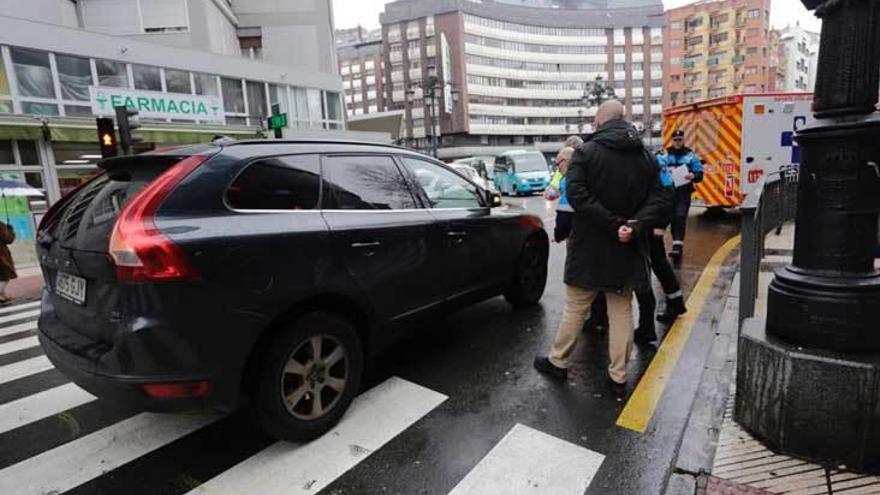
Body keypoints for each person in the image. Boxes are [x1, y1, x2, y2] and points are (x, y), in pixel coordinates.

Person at [533, 100, 669, 389]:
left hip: (589, 247)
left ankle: (558, 361)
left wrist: (611, 223)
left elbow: (578, 195)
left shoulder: (586, 152)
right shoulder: (646, 156)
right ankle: (618, 375)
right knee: (621, 309)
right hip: (628, 245)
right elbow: (659, 197)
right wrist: (633, 225)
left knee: (576, 306)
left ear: (599, 121)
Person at [658, 129, 703, 264]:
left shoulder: (690, 156)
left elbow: (699, 174)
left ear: (683, 140)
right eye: (675, 140)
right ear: (672, 141)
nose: (677, 142)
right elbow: (655, 167)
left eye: (680, 140)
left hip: (683, 193)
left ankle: (678, 246)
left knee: (680, 216)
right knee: (668, 217)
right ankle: (665, 244)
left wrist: (693, 176)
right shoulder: (664, 155)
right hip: (668, 192)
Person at [545, 146, 576, 243]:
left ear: (565, 161)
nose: (557, 169)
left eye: (558, 164)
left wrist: (559, 235)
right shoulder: (580, 175)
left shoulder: (569, 180)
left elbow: (565, 214)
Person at [0, 222, 17, 303]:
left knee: (2, 276)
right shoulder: (0, 225)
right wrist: (10, 229)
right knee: (5, 276)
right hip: (1, 256)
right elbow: (8, 239)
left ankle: (2, 295)